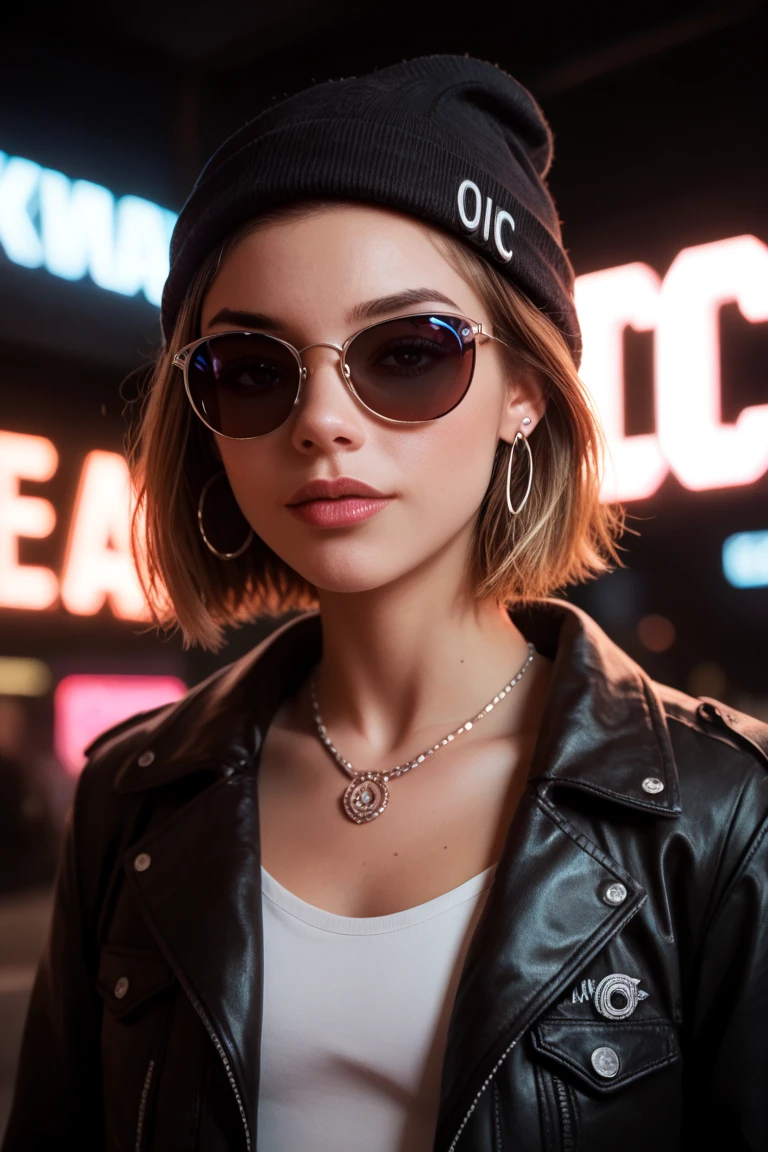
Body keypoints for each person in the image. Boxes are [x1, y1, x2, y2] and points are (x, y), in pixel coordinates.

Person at [3, 54, 767, 1152]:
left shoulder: (725, 816)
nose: (321, 420)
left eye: (408, 353)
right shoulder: (131, 796)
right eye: (253, 368)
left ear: (526, 391)